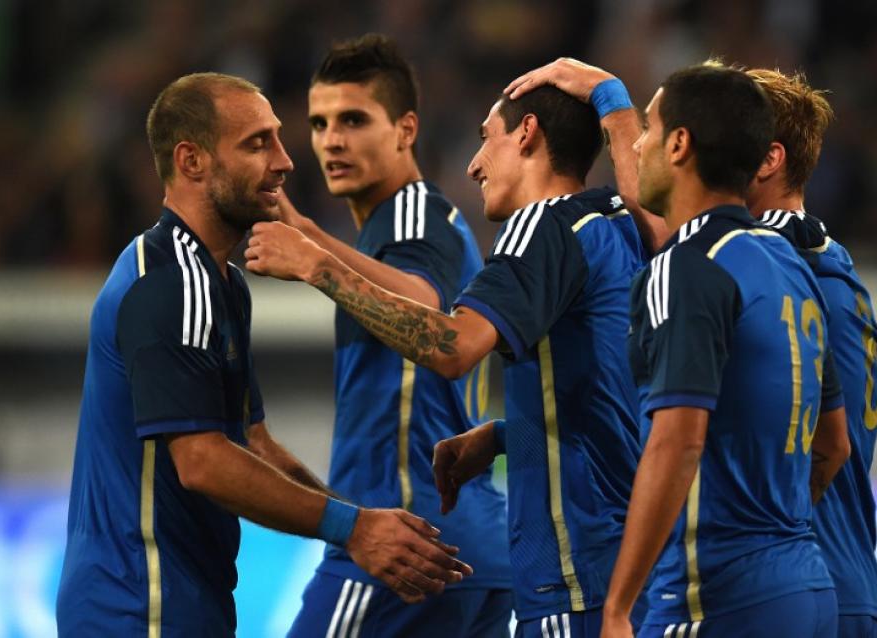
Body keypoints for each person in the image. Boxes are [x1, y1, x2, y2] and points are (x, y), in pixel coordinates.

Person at [54, 72, 469, 638]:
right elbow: (202, 461)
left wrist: (363, 528)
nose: (285, 161)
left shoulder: (221, 282)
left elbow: (254, 444)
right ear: (192, 160)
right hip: (139, 602)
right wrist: (353, 528)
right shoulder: (172, 283)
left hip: (183, 596)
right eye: (257, 143)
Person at [246, 75, 649, 636]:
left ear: (527, 133)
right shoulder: (617, 223)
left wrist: (317, 264)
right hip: (627, 566)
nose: (474, 164)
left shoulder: (541, 225)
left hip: (573, 579)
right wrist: (507, 434)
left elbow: (455, 347)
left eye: (488, 139)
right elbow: (612, 395)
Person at [591, 64, 850, 638]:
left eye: (650, 127)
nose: (638, 143)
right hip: (805, 587)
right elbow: (834, 442)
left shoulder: (684, 267)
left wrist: (618, 607)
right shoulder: (789, 262)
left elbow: (678, 438)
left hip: (715, 598)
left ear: (680, 144)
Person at [279, 34, 512, 638]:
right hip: (469, 544)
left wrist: (310, 251)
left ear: (406, 129)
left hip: (400, 540)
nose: (333, 139)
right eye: (321, 123)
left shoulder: (412, 215)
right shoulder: (387, 230)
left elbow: (426, 312)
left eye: (354, 120)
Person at [744, 68, 877, 638]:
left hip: (795, 581)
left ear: (767, 160)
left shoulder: (770, 264)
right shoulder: (828, 262)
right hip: (838, 577)